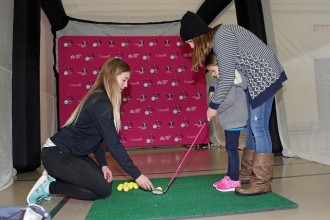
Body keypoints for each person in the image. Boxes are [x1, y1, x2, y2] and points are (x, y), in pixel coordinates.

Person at [180, 11, 287, 196]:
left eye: (190, 42)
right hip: (252, 81)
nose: (190, 47)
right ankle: (246, 174)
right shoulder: (218, 40)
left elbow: (227, 76)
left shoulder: (222, 36)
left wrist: (213, 106)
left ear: (197, 36)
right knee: (252, 128)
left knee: (258, 127)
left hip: (264, 77)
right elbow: (225, 75)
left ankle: (262, 182)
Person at [27, 58, 155, 205]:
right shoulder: (101, 102)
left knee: (105, 186)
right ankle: (49, 187)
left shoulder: (103, 99)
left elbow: (97, 138)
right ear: (111, 77)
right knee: (102, 190)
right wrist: (137, 175)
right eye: (124, 80)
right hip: (57, 154)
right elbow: (114, 144)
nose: (126, 86)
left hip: (74, 154)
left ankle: (58, 177)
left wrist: (103, 164)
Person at [205, 50, 248, 192]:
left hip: (235, 118)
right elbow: (214, 82)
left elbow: (228, 99)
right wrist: (211, 89)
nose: (212, 74)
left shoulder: (229, 79)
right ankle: (230, 176)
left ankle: (234, 180)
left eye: (213, 70)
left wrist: (215, 109)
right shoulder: (221, 77)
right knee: (230, 149)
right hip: (231, 119)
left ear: (221, 65)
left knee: (231, 149)